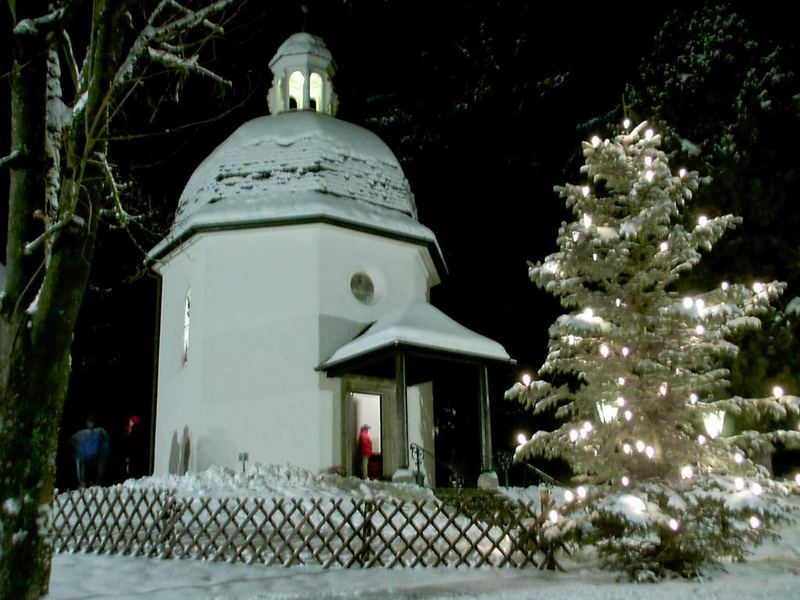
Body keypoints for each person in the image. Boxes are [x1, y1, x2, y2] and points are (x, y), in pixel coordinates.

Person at [70, 414, 110, 488]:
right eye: (89, 422)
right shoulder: (82, 433)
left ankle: (95, 482)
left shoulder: (99, 432)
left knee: (97, 467)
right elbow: (72, 440)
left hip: (95, 457)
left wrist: (105, 452)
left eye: (92, 422)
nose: (90, 424)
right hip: (84, 456)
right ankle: (81, 483)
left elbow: (105, 441)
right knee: (80, 462)